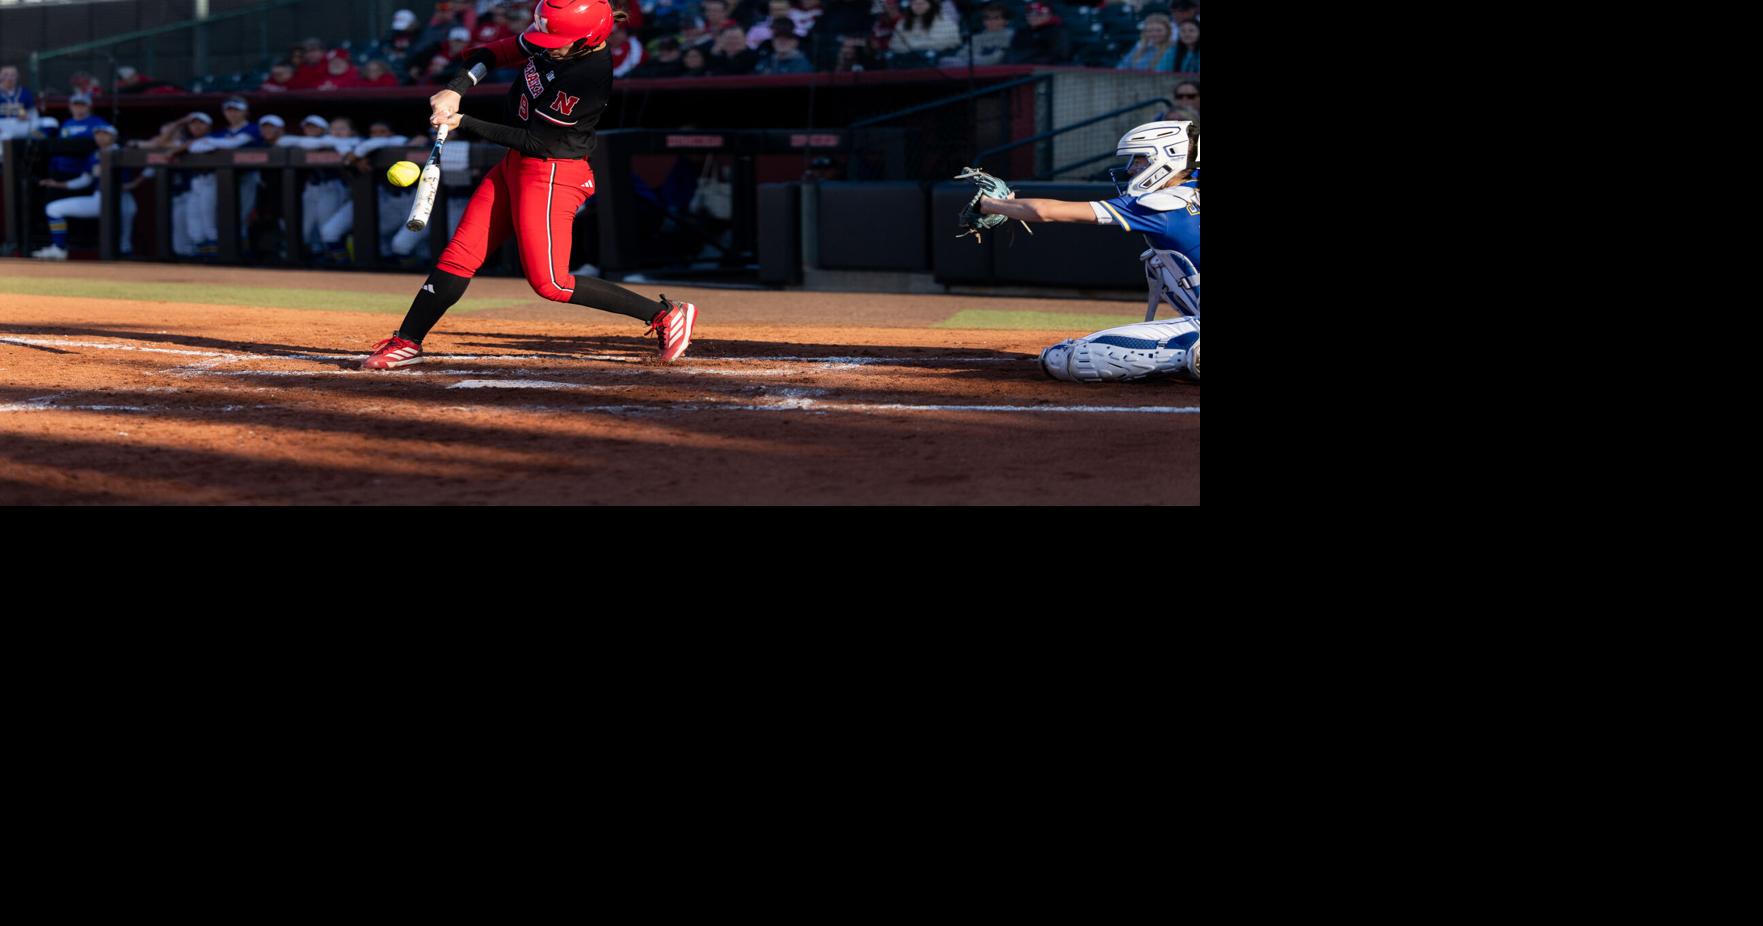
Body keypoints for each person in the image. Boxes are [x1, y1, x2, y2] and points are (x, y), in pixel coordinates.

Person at [361, 0, 698, 370]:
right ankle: (407, 341)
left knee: (550, 282)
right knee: (459, 255)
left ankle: (665, 315)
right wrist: (457, 87)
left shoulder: (587, 76)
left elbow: (537, 141)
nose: (544, 45)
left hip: (552, 172)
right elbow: (495, 52)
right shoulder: (557, 36)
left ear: (588, 39)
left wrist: (464, 121)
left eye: (555, 40)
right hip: (515, 166)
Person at [971, 120, 1199, 383]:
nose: (1132, 168)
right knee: (1158, 260)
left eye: (1140, 159)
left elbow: (1046, 211)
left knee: (1067, 358)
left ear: (1169, 157)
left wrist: (989, 204)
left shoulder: (1157, 205)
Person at [31, 124, 147, 259]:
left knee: (124, 242)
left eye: (105, 134)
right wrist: (57, 184)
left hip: (123, 197)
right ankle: (59, 248)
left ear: (114, 136)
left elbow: (153, 164)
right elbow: (84, 181)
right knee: (53, 208)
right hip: (100, 198)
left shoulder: (123, 151)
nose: (100, 137)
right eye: (97, 134)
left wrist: (136, 183)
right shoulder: (94, 155)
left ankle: (131, 266)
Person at [48, 93, 107, 180]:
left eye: (82, 105)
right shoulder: (66, 123)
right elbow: (59, 144)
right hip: (62, 170)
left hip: (84, 172)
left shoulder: (97, 122)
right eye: (76, 105)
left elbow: (106, 142)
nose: (79, 108)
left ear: (89, 106)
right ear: (70, 107)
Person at [940, 3, 1013, 68]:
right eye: (987, 18)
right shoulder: (976, 38)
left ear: (1006, 21)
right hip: (970, 72)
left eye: (996, 18)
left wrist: (969, 61)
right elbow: (961, 55)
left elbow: (997, 58)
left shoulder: (1012, 36)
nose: (991, 21)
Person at [1005, 2, 1070, 65]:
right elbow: (1012, 53)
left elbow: (1059, 55)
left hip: (1041, 71)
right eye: (1029, 14)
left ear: (1049, 15)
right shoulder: (1022, 31)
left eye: (1039, 14)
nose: (1032, 17)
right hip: (1016, 68)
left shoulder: (1057, 32)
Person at [0, 65, 38, 142]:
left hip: (21, 127)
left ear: (17, 77)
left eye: (13, 75)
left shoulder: (25, 93)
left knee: (42, 134)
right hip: (1, 128)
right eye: (6, 75)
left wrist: (27, 116)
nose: (9, 78)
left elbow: (33, 115)